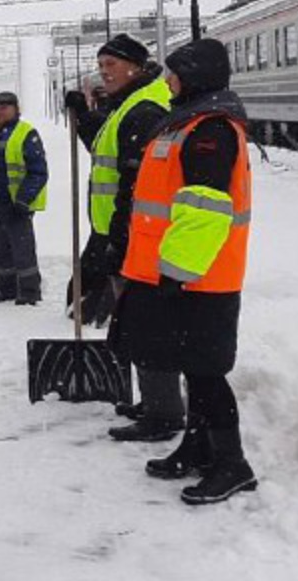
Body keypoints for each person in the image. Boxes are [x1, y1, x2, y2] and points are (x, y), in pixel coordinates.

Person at [115, 38, 257, 505]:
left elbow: (205, 209)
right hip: (181, 273)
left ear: (193, 76)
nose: (167, 80)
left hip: (201, 277)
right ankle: (198, 446)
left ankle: (233, 464)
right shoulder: (188, 123)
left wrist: (175, 275)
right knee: (194, 370)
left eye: (174, 72)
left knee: (207, 373)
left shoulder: (210, 131)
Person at [63, 34, 181, 443]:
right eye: (101, 65)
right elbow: (105, 147)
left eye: (111, 65)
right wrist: (83, 116)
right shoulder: (130, 103)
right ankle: (153, 402)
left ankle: (163, 413)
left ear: (133, 65)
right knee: (135, 323)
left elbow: (137, 181)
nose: (104, 73)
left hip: (138, 235)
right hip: (127, 231)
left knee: (149, 326)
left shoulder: (145, 106)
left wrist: (119, 237)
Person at [0, 91, 48, 305]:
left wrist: (23, 200)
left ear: (15, 109)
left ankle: (29, 293)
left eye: (4, 108)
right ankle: (5, 290)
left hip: (16, 205)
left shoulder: (25, 133)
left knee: (23, 252)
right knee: (0, 251)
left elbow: (38, 172)